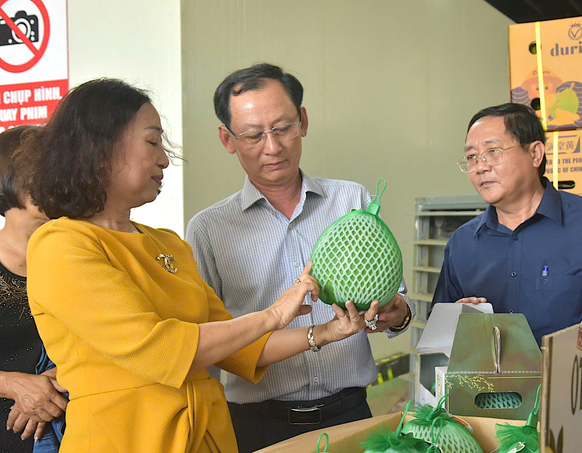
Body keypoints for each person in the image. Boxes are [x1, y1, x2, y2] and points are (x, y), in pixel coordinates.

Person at [20, 78, 378, 453]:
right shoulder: (61, 245)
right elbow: (160, 350)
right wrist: (273, 314)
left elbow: (234, 345)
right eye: (152, 142)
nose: (164, 158)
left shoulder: (167, 244)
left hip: (207, 438)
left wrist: (323, 333)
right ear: (100, 146)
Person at [186, 63, 416, 451]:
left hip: (349, 414)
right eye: (253, 135)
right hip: (257, 426)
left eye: (282, 128)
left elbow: (398, 299)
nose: (272, 147)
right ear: (227, 139)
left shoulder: (353, 201)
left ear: (303, 121)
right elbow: (207, 346)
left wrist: (399, 313)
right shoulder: (208, 230)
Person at [430, 102, 582, 345]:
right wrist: (458, 317)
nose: (480, 167)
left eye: (493, 151)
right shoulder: (461, 243)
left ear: (535, 153)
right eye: (472, 157)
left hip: (576, 380)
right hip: (489, 383)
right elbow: (440, 335)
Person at [0, 125, 66, 453]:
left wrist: (54, 380)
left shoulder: (81, 258)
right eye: (42, 171)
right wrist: (12, 383)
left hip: (75, 431)